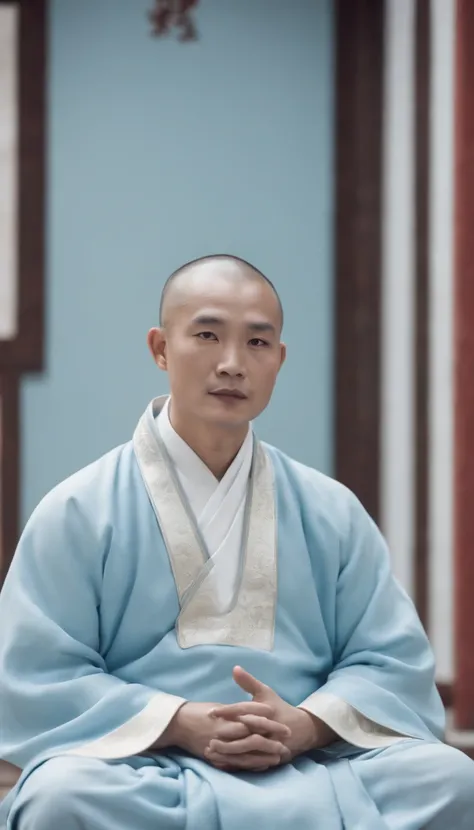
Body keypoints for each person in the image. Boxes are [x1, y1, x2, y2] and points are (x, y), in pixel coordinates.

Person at [0, 254, 473, 830]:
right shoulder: (80, 509)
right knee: (62, 798)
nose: (232, 364)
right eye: (206, 334)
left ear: (279, 359)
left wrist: (307, 724)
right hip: (144, 770)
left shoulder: (330, 510)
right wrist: (179, 720)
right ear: (160, 348)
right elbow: (37, 674)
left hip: (312, 763)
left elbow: (389, 661)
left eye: (257, 343)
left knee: (449, 780)